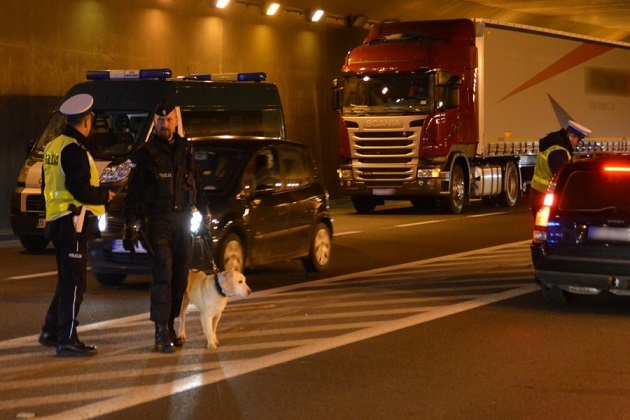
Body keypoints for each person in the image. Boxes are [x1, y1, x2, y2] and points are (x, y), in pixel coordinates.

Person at [123, 99, 208, 354]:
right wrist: (131, 223)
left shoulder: (188, 151)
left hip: (183, 221)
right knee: (163, 275)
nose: (164, 124)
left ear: (176, 121)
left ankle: (171, 324)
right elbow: (133, 193)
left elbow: (199, 189)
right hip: (158, 222)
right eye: (160, 120)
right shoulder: (146, 154)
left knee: (180, 278)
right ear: (155, 123)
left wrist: (205, 219)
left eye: (168, 119)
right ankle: (160, 331)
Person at [39, 93, 116, 357]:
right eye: (90, 120)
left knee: (66, 281)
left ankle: (52, 332)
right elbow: (80, 189)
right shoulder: (75, 150)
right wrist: (104, 195)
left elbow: (47, 185)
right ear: (85, 121)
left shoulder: (54, 145)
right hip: (73, 223)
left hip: (57, 221)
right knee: (75, 284)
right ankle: (67, 339)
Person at [530, 120, 591, 217]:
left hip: (538, 193)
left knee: (541, 227)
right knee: (548, 228)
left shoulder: (552, 145)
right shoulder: (559, 152)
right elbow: (561, 177)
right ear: (571, 136)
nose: (577, 143)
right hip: (547, 196)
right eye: (578, 140)